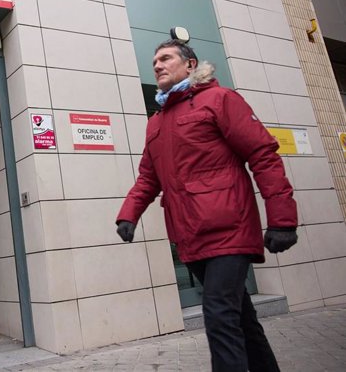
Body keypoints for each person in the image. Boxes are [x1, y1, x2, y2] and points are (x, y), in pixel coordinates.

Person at [116, 39, 298, 372]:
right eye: (154, 60)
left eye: (165, 58)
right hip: (189, 235)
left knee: (218, 314)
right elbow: (148, 178)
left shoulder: (220, 100)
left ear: (190, 65)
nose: (157, 65)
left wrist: (282, 219)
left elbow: (263, 155)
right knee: (239, 316)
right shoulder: (156, 122)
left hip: (230, 227)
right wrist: (129, 214)